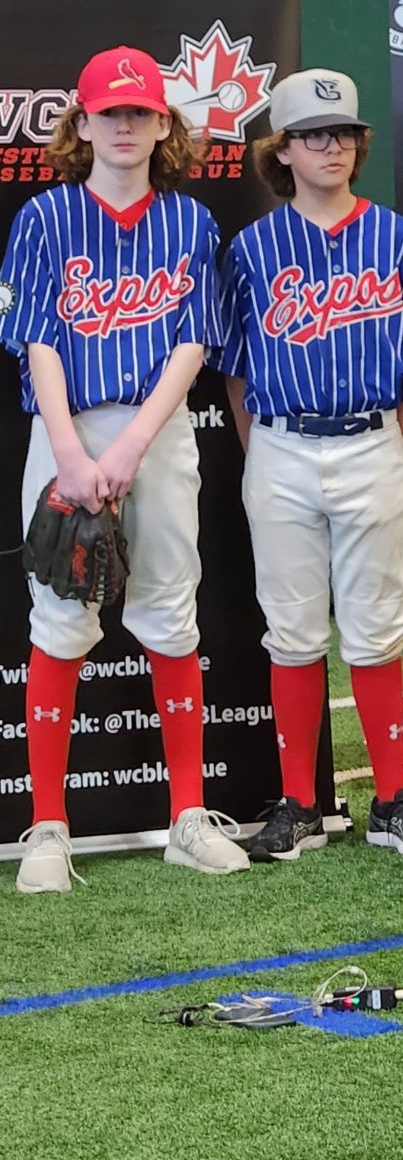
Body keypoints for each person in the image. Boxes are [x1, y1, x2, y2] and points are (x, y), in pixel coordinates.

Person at [1, 45, 247, 892]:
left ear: (162, 124)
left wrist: (134, 445)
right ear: (82, 122)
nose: (125, 126)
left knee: (170, 613)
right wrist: (70, 452)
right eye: (110, 112)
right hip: (65, 428)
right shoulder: (45, 217)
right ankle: (48, 828)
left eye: (139, 112)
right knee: (60, 619)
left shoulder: (190, 223)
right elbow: (36, 336)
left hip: (159, 427)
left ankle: (186, 814)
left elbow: (193, 343)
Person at [220, 70, 403, 859]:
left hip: (371, 439)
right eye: (313, 134)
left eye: (344, 133)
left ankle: (393, 799)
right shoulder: (252, 249)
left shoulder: (396, 238)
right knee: (291, 633)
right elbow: (234, 368)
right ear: (280, 151)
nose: (333, 147)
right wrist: (265, 453)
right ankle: (298, 803)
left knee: (377, 631)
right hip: (284, 442)